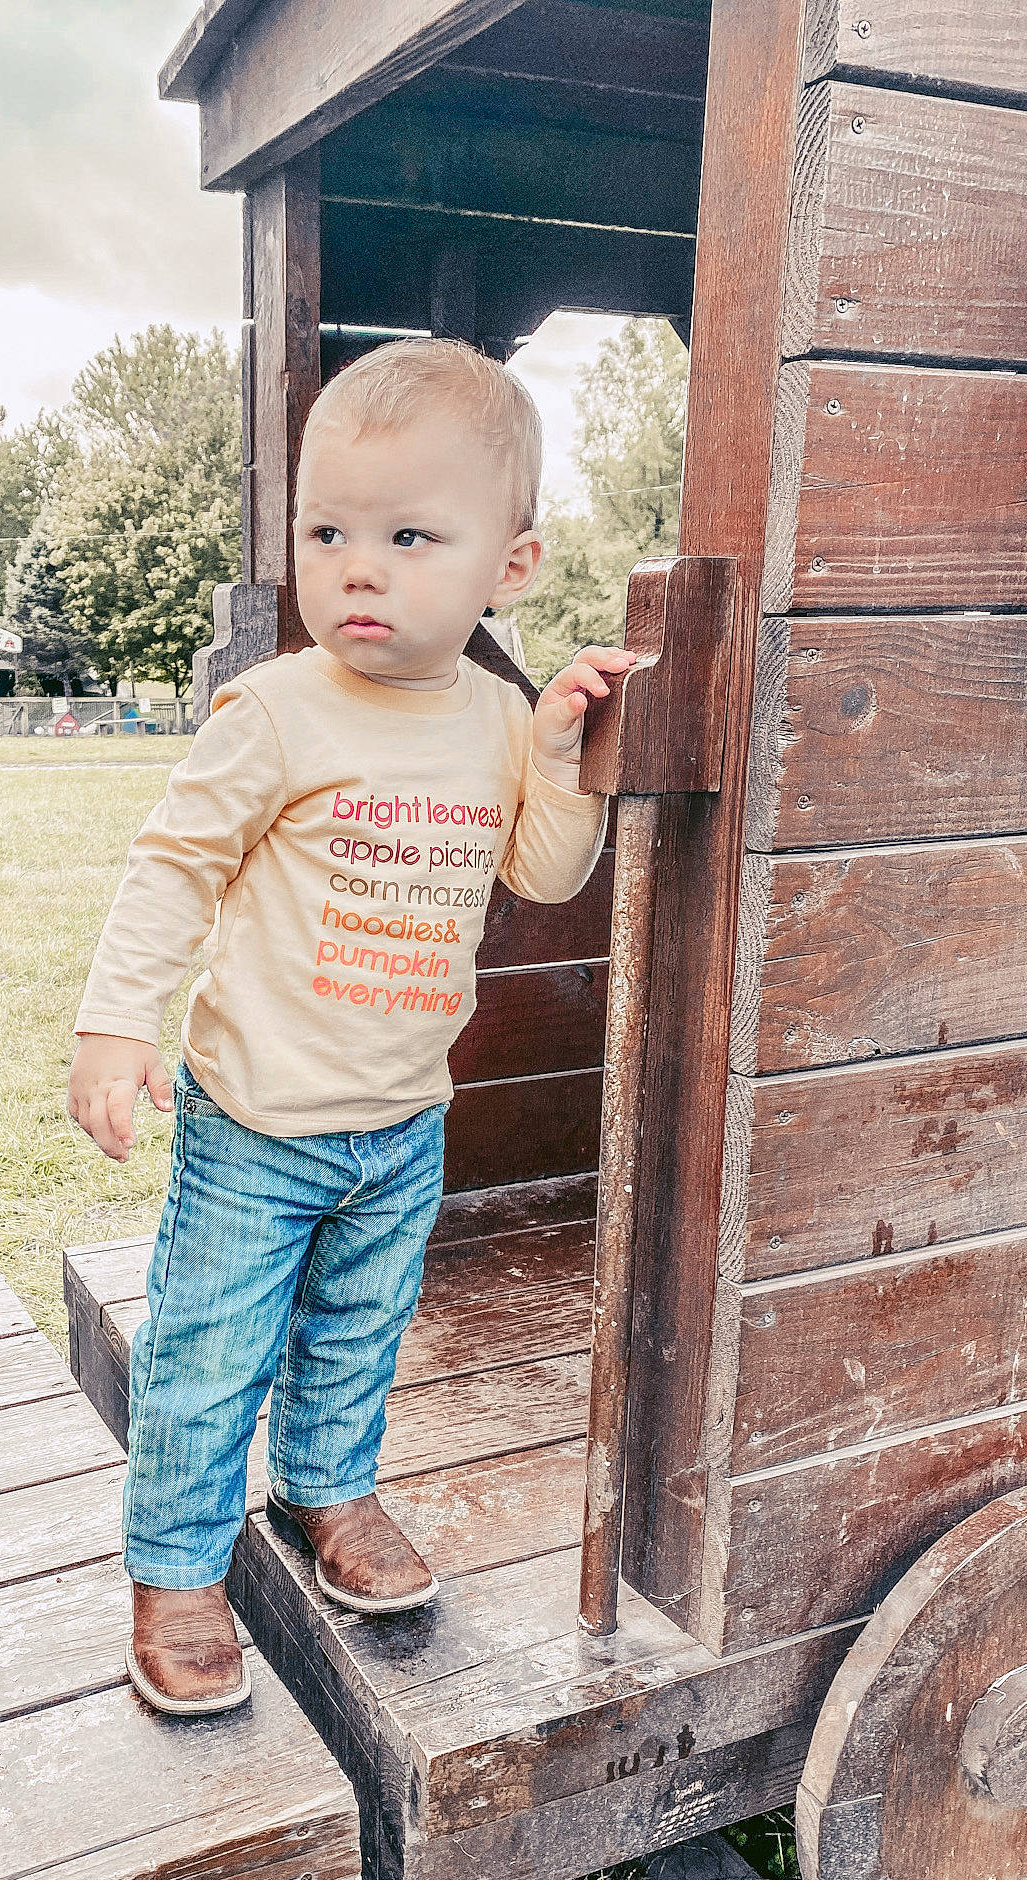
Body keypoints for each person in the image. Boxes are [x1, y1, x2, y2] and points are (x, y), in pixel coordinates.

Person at [67, 338, 635, 1715]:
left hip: (400, 1121)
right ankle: (181, 1572)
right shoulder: (276, 712)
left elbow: (546, 873)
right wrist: (112, 1023)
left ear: (511, 567)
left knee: (359, 1333)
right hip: (257, 1121)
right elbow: (175, 865)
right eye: (329, 532)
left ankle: (329, 1494)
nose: (357, 567)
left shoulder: (499, 717)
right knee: (212, 1352)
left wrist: (563, 760)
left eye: (407, 535)